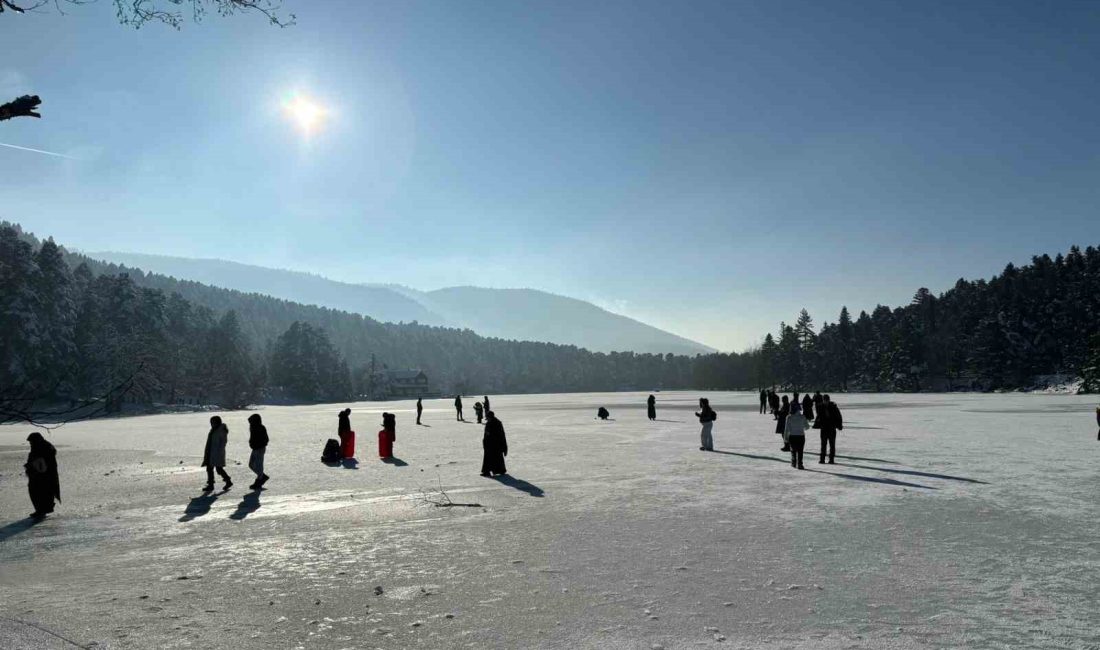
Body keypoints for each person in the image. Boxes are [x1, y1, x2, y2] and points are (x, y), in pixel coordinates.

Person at [25, 432, 60, 519]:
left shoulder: (43, 448)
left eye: (31, 442)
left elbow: (42, 463)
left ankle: (42, 510)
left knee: (41, 492)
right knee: (37, 492)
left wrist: (32, 467)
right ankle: (41, 510)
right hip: (40, 475)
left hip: (44, 476)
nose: (30, 444)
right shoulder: (41, 446)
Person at [202, 415, 232, 491]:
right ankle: (212, 484)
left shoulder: (221, 430)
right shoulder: (214, 429)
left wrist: (218, 451)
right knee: (210, 468)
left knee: (218, 469)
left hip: (217, 453)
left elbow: (223, 442)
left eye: (213, 422)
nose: (211, 424)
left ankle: (227, 481)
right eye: (211, 422)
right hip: (211, 452)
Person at [817, 394, 844, 464]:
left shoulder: (833, 406)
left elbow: (839, 416)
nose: (825, 402)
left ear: (828, 400)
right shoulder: (820, 407)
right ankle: (822, 459)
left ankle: (831, 459)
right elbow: (819, 417)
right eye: (824, 400)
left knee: (832, 444)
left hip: (831, 428)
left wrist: (839, 425)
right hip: (824, 428)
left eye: (826, 400)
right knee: (823, 444)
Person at [480, 410, 508, 476]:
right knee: (496, 457)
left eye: (488, 417)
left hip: (495, 444)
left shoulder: (496, 423)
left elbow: (501, 434)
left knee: (493, 458)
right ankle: (498, 470)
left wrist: (504, 446)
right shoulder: (492, 423)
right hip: (491, 444)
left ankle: (490, 471)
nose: (487, 419)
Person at [783, 402, 810, 469]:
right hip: (801, 436)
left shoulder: (789, 417)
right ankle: (800, 464)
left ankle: (794, 462)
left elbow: (786, 429)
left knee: (793, 450)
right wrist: (802, 427)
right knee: (800, 451)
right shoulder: (802, 417)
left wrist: (785, 438)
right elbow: (807, 427)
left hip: (792, 436)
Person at [247, 413, 269, 490]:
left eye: (251, 421)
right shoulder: (252, 427)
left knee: (259, 466)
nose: (250, 423)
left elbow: (266, 439)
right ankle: (262, 476)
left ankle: (258, 482)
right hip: (254, 448)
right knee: (251, 465)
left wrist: (259, 445)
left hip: (260, 449)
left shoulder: (261, 428)